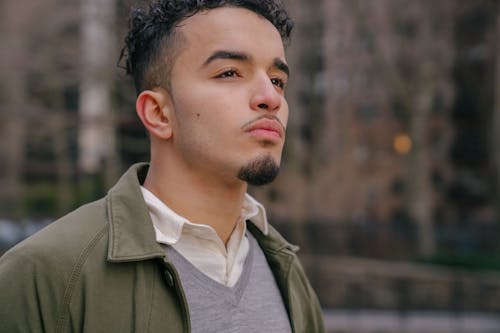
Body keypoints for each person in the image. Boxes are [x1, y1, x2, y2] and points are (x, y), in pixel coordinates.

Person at [0, 0, 325, 332]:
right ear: (158, 113)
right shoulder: (45, 276)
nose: (270, 97)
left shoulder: (287, 273)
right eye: (229, 73)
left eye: (277, 80)